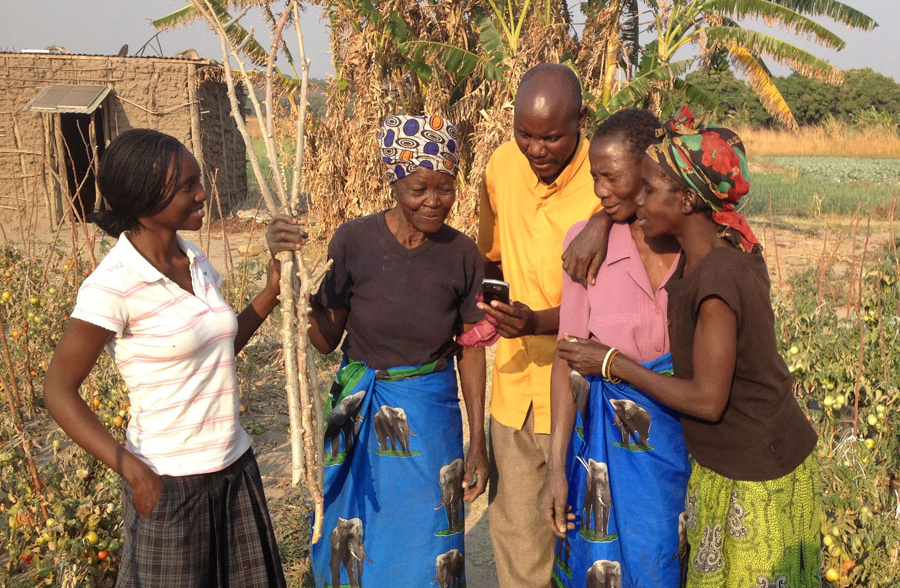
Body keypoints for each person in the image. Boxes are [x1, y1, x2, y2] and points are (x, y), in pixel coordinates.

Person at [574, 106, 819, 587]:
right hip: (729, 465)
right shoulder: (714, 248)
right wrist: (601, 222)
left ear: (687, 200)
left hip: (758, 474)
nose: (636, 199)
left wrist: (610, 361)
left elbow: (707, 400)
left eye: (648, 190)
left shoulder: (716, 281)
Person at [43, 129, 286, 587]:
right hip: (168, 483)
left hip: (233, 469)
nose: (201, 195)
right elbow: (58, 390)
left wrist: (270, 295)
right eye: (187, 187)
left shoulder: (194, 260)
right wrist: (135, 474)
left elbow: (217, 351)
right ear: (144, 200)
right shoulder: (113, 285)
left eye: (199, 181)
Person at [267, 114, 488, 588]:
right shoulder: (355, 241)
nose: (434, 201)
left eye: (445, 188)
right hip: (360, 408)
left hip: (429, 414)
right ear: (394, 182)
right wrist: (296, 288)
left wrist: (479, 441)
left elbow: (470, 351)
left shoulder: (462, 254)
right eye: (419, 188)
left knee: (430, 533)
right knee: (350, 527)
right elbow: (326, 340)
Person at [538, 109, 691, 588]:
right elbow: (568, 365)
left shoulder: (692, 243)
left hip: (680, 448)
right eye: (594, 178)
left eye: (611, 177)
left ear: (648, 172)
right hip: (601, 449)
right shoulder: (585, 250)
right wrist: (556, 469)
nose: (600, 189)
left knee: (668, 561)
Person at [477, 62, 610, 587]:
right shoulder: (501, 167)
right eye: (524, 134)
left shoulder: (608, 183)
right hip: (513, 390)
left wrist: (602, 217)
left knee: (587, 542)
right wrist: (498, 314)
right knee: (517, 544)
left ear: (581, 120)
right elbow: (489, 257)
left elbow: (611, 303)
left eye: (551, 137)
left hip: (585, 391)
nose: (536, 150)